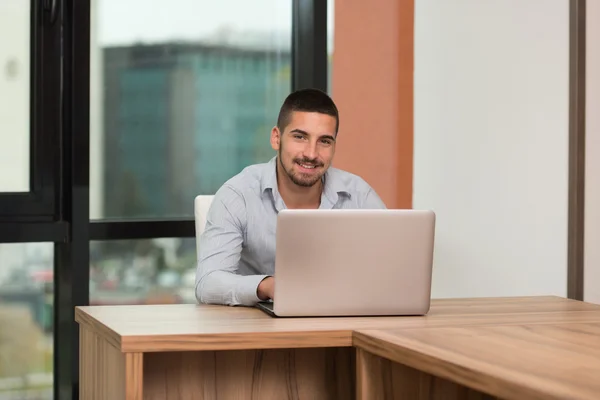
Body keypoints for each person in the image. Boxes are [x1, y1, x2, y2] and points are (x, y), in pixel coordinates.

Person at [195, 88, 386, 306]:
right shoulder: (238, 194)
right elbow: (208, 282)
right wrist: (268, 286)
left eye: (324, 141)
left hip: (340, 321)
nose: (311, 154)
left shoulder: (359, 195)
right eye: (300, 137)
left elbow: (390, 270)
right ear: (276, 138)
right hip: (258, 328)